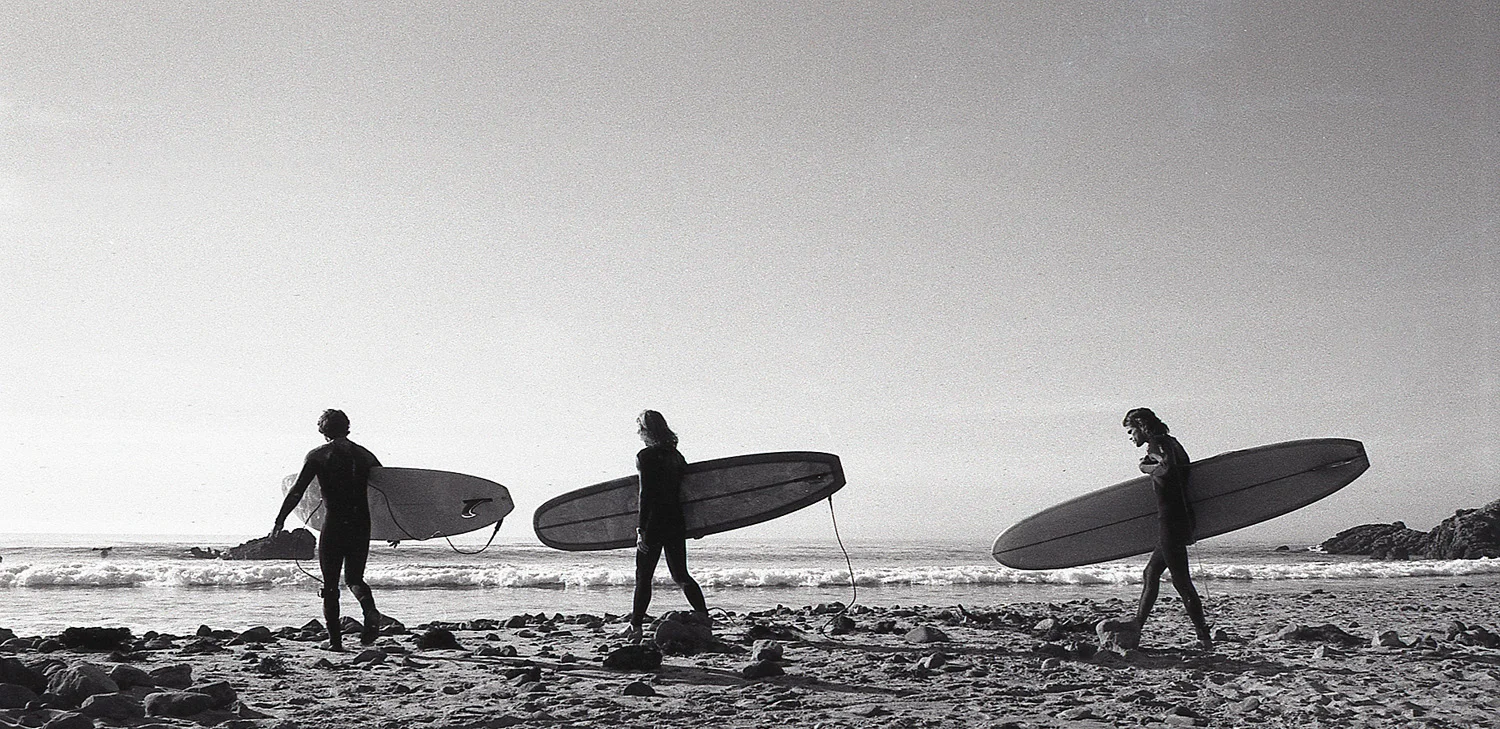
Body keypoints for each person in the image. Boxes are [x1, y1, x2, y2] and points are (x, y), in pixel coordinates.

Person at [273, 409, 383, 651]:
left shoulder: (318, 456)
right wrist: (394, 528)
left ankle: (335, 642)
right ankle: (370, 610)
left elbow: (297, 491)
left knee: (330, 584)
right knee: (355, 578)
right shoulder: (364, 455)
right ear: (347, 427)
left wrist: (280, 520)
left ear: (323, 431)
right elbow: (383, 490)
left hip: (334, 523)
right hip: (361, 524)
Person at [1123, 407, 1213, 650]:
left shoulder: (1156, 444)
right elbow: (1181, 468)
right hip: (1180, 517)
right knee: (1151, 574)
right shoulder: (1172, 442)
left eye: (1131, 431)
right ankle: (1137, 626)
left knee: (1181, 581)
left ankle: (1203, 637)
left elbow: (1170, 469)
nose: (1130, 438)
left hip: (1171, 520)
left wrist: (1145, 467)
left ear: (1141, 427)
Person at [626, 410, 708, 641]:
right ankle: (704, 618)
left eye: (639, 428)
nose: (638, 433)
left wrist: (641, 530)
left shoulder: (645, 456)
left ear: (645, 430)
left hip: (654, 522)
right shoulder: (676, 456)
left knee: (644, 576)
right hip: (675, 520)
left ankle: (636, 627)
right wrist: (700, 523)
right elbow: (689, 493)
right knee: (681, 574)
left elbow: (646, 494)